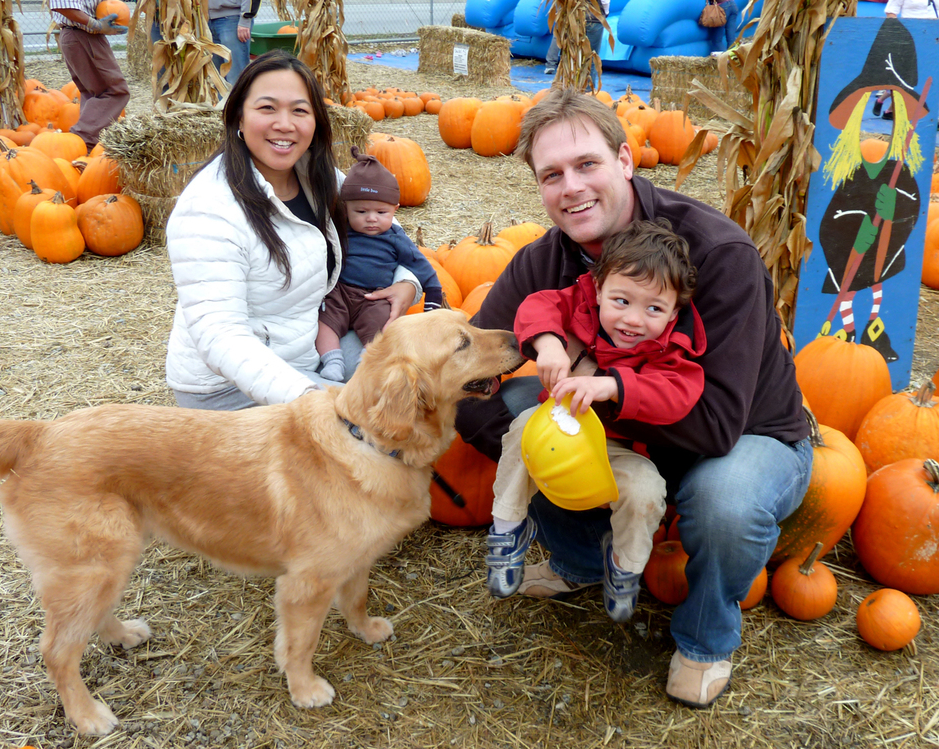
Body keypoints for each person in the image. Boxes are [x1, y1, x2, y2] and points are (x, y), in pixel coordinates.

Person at [455, 88, 812, 709]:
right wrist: (554, 453)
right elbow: (470, 387)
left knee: (723, 499)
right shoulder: (543, 264)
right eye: (552, 175)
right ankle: (580, 557)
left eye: (587, 164)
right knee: (523, 418)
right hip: (626, 439)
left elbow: (719, 424)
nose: (571, 187)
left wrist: (602, 396)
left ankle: (705, 637)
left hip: (743, 434)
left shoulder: (717, 253)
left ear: (625, 160)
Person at [164, 51, 422, 410]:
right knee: (371, 437)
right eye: (267, 108)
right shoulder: (208, 208)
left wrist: (409, 282)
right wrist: (313, 399)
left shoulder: (320, 177)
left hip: (308, 349)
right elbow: (220, 336)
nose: (285, 124)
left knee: (413, 381)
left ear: (316, 121)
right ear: (238, 115)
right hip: (230, 387)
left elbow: (386, 228)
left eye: (300, 111)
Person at [485, 218, 705, 627]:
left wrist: (613, 386)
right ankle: (508, 528)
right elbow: (537, 306)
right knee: (519, 433)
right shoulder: (581, 300)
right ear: (599, 288)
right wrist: (548, 345)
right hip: (560, 425)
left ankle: (625, 566)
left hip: (619, 449)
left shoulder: (672, 347)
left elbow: (678, 394)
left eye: (654, 309)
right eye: (621, 301)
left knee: (645, 492)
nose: (633, 320)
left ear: (674, 312)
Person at [315, 148, 444, 381]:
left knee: (384, 326)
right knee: (324, 323)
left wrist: (432, 305)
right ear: (346, 209)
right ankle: (332, 361)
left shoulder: (396, 238)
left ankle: (367, 360)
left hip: (374, 297)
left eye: (381, 212)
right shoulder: (339, 231)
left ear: (395, 210)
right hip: (340, 291)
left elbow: (424, 269)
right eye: (361, 211)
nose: (371, 218)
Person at [49, 0, 130, 152]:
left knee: (93, 93)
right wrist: (95, 25)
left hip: (80, 36)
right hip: (83, 35)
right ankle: (80, 142)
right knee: (115, 91)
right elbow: (62, 5)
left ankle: (88, 149)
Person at [872, 0, 938, 119]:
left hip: (932, 39)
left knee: (926, 76)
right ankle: (886, 104)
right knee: (904, 78)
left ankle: (889, 109)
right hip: (910, 37)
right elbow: (891, 12)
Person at [545, 0, 609, 76]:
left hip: (570, 12)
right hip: (593, 16)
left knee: (561, 36)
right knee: (591, 55)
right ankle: (584, 81)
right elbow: (605, 2)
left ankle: (552, 64)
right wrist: (605, 12)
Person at [209, 0, 262, 87]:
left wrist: (245, 18)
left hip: (232, 19)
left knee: (235, 77)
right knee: (217, 81)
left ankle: (238, 100)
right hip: (207, 19)